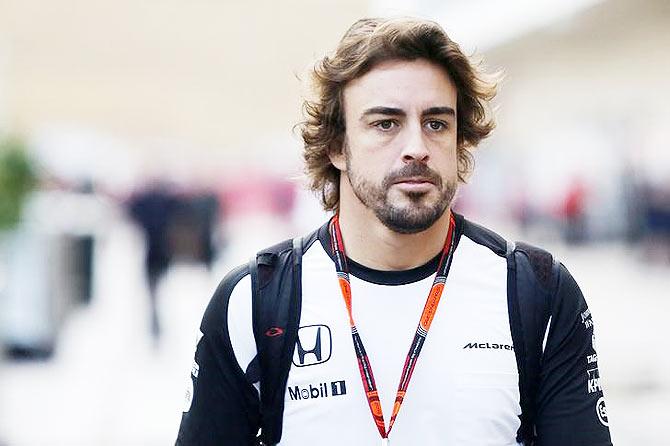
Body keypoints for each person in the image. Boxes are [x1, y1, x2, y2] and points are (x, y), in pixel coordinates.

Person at [176, 17, 613, 445]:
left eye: (437, 123)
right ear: (336, 146)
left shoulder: (537, 290)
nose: (417, 148)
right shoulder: (256, 300)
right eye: (385, 123)